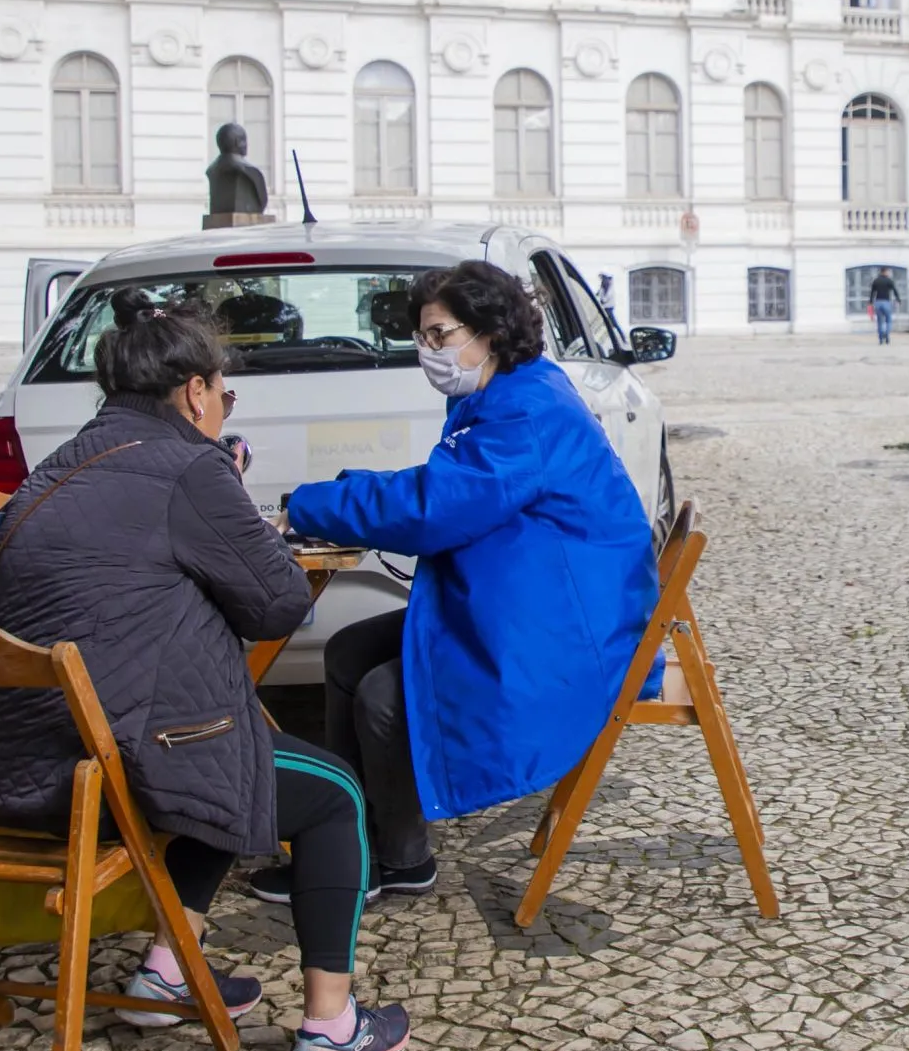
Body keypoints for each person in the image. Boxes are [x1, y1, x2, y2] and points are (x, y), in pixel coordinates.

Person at [0, 290, 413, 1051]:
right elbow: (278, 603)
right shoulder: (191, 466)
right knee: (332, 794)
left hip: (20, 767)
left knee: (232, 750)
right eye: (225, 393)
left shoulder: (60, 466)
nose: (222, 407)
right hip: (109, 777)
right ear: (197, 392)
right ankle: (330, 1029)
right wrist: (234, 503)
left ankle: (166, 976)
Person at [253, 261, 657, 903]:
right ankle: (350, 838)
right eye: (422, 337)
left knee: (384, 696)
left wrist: (308, 505)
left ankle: (396, 858)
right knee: (347, 652)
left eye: (439, 335)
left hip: (572, 632)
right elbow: (446, 490)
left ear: (490, 330)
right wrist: (347, 492)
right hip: (538, 602)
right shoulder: (505, 391)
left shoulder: (521, 410)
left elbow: (433, 507)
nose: (428, 352)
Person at [868, 267, 900, 345]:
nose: (888, 273)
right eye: (888, 272)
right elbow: (894, 290)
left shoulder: (876, 281)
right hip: (886, 302)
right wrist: (898, 299)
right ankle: (887, 333)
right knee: (888, 320)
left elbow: (872, 292)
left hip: (878, 302)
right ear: (885, 272)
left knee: (880, 321)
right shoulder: (889, 280)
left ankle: (881, 338)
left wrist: (871, 302)